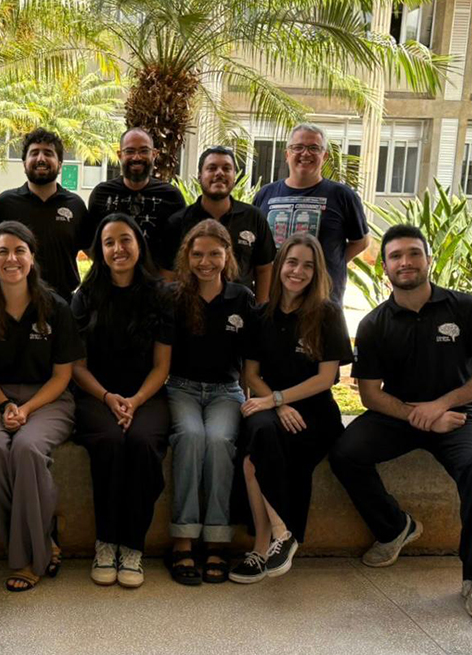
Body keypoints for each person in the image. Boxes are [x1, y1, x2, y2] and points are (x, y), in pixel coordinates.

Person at [329, 224, 472, 618]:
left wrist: (440, 406)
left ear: (429, 260)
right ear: (385, 268)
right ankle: (394, 528)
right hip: (398, 414)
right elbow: (370, 394)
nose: (405, 262)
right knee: (345, 453)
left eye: (413, 253)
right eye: (395, 256)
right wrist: (419, 415)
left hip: (459, 414)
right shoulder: (374, 324)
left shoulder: (464, 307)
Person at [0, 220, 84, 592]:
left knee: (28, 448)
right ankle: (43, 536)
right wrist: (5, 404)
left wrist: (27, 409)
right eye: (2, 251)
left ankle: (25, 559)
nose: (11, 259)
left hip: (48, 397)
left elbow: (62, 376)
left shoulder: (56, 308)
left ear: (32, 258)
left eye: (20, 251)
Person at [229, 233, 352, 584]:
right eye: (292, 262)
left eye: (307, 266)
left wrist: (277, 400)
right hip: (273, 405)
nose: (298, 271)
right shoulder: (261, 315)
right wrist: (277, 404)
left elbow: (326, 379)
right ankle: (280, 535)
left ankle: (263, 546)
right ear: (280, 265)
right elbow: (251, 375)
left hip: (314, 413)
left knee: (254, 456)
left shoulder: (327, 314)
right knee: (259, 434)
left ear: (316, 273)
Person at [71, 214, 172, 588]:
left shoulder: (160, 295)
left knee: (143, 443)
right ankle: (105, 542)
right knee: (111, 442)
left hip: (147, 393)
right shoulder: (85, 297)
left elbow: (162, 365)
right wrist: (108, 397)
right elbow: (77, 367)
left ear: (138, 244)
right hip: (96, 393)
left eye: (125, 240)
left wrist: (136, 400)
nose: (118, 249)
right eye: (109, 242)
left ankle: (132, 546)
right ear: (100, 250)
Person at [165, 219, 254, 585]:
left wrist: (254, 400)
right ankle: (183, 539)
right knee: (190, 437)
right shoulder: (174, 296)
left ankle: (217, 540)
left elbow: (249, 361)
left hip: (225, 392)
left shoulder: (241, 298)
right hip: (181, 388)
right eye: (198, 254)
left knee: (218, 441)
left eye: (214, 254)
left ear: (227, 255)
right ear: (187, 256)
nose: (205, 262)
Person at [253, 122, 369, 304]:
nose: (305, 153)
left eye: (314, 148)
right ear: (287, 154)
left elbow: (361, 241)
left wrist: (328, 264)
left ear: (325, 155)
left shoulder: (343, 196)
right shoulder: (265, 194)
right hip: (275, 300)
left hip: (322, 301)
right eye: (298, 147)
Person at [0, 129, 90, 300]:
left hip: (64, 304)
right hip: (12, 302)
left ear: (60, 164)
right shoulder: (4, 204)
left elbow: (94, 254)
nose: (41, 158)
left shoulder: (75, 205)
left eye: (48, 153)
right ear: (24, 163)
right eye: (34, 153)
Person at [162, 146, 275, 302]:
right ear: (199, 176)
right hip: (189, 309)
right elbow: (168, 274)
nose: (219, 173)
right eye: (212, 168)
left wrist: (260, 309)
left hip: (240, 311)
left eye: (227, 168)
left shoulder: (253, 218)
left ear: (234, 176)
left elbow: (264, 269)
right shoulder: (179, 221)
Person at [86, 127, 186, 261]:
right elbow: (90, 243)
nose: (137, 157)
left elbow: (180, 247)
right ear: (120, 155)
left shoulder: (171, 197)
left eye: (144, 151)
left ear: (154, 154)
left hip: (156, 274)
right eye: (130, 151)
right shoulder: (101, 194)